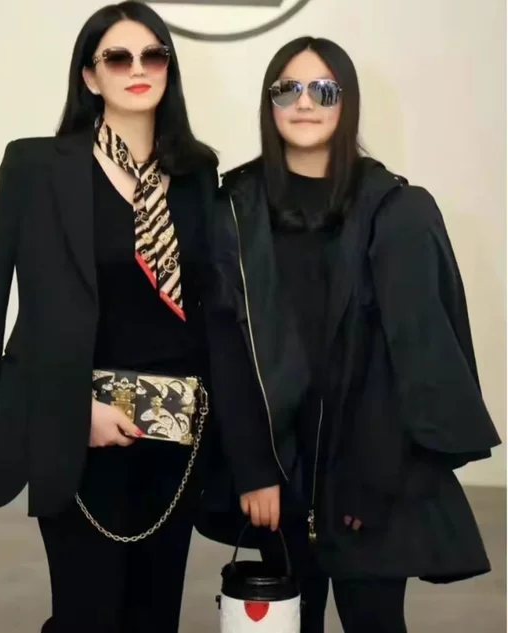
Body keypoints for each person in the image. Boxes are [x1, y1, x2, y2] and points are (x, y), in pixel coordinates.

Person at [196, 36, 501, 633]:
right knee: (288, 622)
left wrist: (372, 482)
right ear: (269, 102)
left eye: (324, 90)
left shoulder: (397, 210)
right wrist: (255, 471)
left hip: (370, 475)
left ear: (348, 102)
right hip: (280, 473)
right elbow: (227, 351)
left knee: (375, 621)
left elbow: (413, 358)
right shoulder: (235, 209)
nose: (305, 102)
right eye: (288, 89)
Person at [0, 3, 218, 631]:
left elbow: (209, 304)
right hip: (76, 425)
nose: (138, 69)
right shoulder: (36, 167)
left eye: (153, 56)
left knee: (155, 615)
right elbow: (3, 301)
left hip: (173, 428)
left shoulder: (197, 173)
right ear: (90, 75)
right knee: (87, 614)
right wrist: (59, 408)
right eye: (118, 57)